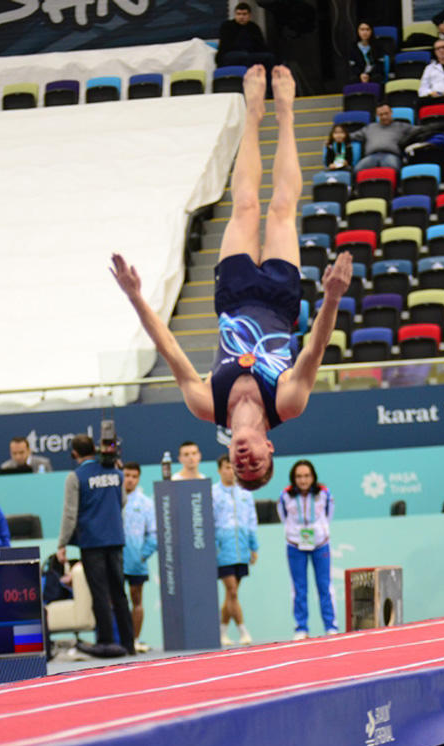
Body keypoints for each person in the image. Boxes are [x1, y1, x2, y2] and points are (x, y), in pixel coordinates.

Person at [111, 66, 353, 491]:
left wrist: (135, 297)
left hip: (233, 296)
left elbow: (168, 348)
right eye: (256, 465)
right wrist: (331, 298)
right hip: (280, 299)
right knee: (280, 206)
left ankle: (253, 116)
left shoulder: (207, 405)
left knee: (243, 204)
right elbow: (315, 349)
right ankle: (286, 115)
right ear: (270, 450)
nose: (245, 461)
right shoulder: (288, 404)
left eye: (241, 469)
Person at [57, 434, 134, 656]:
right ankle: (128, 644)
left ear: (74, 454)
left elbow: (70, 514)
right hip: (115, 539)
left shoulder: (75, 477)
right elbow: (123, 501)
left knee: (100, 593)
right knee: (119, 592)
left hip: (91, 542)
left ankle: (106, 641)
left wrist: (62, 544)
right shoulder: (116, 472)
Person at [277, 459, 336, 639]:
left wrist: (320, 532)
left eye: (306, 476)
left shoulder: (324, 493)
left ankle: (330, 626)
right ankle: (301, 627)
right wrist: (294, 534)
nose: (303, 480)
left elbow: (329, 514)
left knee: (324, 586)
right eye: (299, 476)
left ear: (313, 477)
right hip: (295, 545)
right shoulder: (285, 495)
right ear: (293, 478)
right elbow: (283, 516)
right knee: (298, 588)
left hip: (320, 544)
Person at [213, 455, 259, 646]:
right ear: (219, 470)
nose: (229, 471)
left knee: (231, 594)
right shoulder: (213, 493)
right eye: (226, 467)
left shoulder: (245, 493)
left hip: (241, 548)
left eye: (233, 467)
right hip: (223, 549)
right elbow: (210, 521)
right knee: (231, 590)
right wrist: (215, 546)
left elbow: (251, 521)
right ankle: (243, 630)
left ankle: (222, 631)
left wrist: (253, 546)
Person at [120, 462, 157, 651]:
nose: (130, 480)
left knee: (137, 599)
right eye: (127, 475)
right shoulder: (113, 499)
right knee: (115, 600)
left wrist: (143, 555)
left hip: (136, 561)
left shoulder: (145, 503)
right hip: (116, 558)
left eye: (134, 476)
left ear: (139, 478)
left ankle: (134, 640)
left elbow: (154, 533)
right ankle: (118, 639)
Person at [348, 103, 419, 172]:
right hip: (370, 157)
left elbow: (420, 130)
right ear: (377, 116)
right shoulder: (370, 127)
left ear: (391, 113)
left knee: (395, 169)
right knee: (357, 170)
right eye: (381, 115)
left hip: (391, 155)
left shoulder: (401, 126)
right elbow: (350, 136)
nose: (384, 117)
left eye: (386, 113)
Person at [216, 2, 275, 70]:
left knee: (269, 57)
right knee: (244, 56)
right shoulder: (227, 26)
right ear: (235, 15)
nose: (241, 17)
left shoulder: (253, 27)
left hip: (250, 54)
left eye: (244, 14)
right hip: (230, 54)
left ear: (249, 15)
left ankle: (268, 80)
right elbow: (224, 47)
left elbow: (261, 46)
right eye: (238, 14)